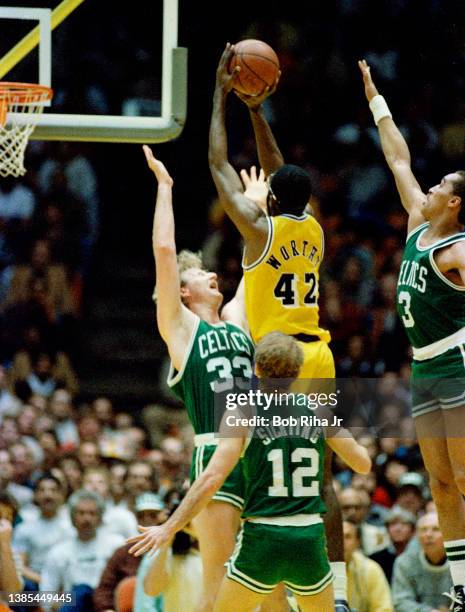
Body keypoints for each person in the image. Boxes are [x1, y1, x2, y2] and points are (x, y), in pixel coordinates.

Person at [208, 43, 349, 609]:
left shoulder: (257, 230)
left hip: (275, 361)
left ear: (267, 196)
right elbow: (281, 172)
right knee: (322, 473)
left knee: (248, 459)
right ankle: (330, 592)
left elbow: (219, 166)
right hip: (319, 355)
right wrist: (257, 110)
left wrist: (223, 96)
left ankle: (259, 575)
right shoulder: (312, 228)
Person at [128, 331, 371, 611]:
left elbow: (211, 477)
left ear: (256, 369)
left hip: (263, 537)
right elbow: (362, 464)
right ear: (297, 371)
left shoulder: (242, 412)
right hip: (308, 538)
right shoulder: (318, 411)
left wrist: (169, 527)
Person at [359, 59, 465, 610]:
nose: (427, 185)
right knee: (441, 485)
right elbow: (397, 156)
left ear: (455, 204)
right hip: (424, 366)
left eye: (440, 184)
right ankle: (464, 586)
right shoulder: (421, 225)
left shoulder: (459, 250)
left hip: (457, 366)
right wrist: (377, 101)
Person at [142, 145, 254, 611]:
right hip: (216, 451)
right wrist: (165, 188)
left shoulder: (236, 319)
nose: (212, 273)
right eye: (200, 273)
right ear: (183, 292)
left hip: (260, 450)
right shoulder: (183, 330)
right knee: (219, 585)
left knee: (263, 586)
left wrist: (255, 207)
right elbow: (166, 251)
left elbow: (258, 262)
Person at [40, 489, 123, 612]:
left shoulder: (116, 545)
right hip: (73, 605)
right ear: (72, 517)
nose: (87, 518)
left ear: (100, 517)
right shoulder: (58, 552)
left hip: (107, 606)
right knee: (81, 591)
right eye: (81, 513)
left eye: (92, 513)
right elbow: (46, 598)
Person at [93, 493, 166, 612]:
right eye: (141, 515)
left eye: (153, 515)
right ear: (136, 518)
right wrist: (107, 609)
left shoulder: (171, 551)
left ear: (162, 517)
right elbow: (104, 589)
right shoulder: (123, 553)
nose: (147, 519)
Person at [391, 512, 452, 611]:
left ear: (448, 533)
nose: (428, 535)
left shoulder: (460, 563)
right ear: (416, 535)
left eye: (436, 529)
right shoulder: (404, 562)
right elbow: (400, 601)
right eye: (423, 530)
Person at [343, 519, 393, 612]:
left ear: (357, 542)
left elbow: (384, 609)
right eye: (336, 536)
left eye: (347, 537)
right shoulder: (316, 570)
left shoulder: (370, 569)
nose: (341, 542)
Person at [370, 507, 416, 583]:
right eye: (393, 524)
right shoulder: (375, 559)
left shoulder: (420, 557)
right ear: (387, 529)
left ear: (413, 530)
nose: (398, 529)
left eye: (404, 524)